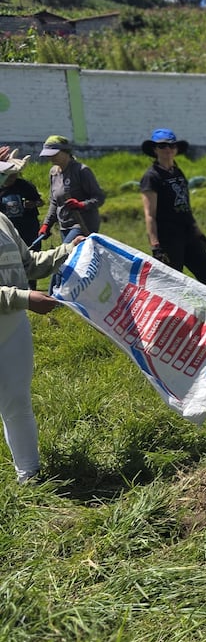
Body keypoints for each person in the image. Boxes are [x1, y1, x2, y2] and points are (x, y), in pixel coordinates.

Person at [0, 146, 83, 485]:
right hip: (17, 311)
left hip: (11, 327)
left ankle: (29, 477)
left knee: (17, 402)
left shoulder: (1, 219)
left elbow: (28, 264)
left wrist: (70, 250)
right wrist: (25, 297)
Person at [139, 128, 206, 290]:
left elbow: (185, 205)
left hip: (188, 233)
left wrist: (199, 233)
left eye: (171, 146)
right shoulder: (151, 177)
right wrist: (155, 246)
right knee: (173, 284)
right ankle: (174, 315)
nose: (168, 149)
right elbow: (150, 215)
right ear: (155, 149)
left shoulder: (177, 172)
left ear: (176, 149)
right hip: (168, 237)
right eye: (162, 146)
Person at [39, 135, 105, 244]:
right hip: (64, 226)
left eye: (54, 154)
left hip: (82, 224)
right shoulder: (53, 173)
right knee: (69, 257)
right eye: (48, 155)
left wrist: (81, 205)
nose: (51, 158)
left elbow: (99, 198)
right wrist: (46, 224)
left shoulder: (81, 171)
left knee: (66, 254)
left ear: (66, 152)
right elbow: (54, 202)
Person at [0, 164, 44, 250]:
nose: (12, 178)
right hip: (7, 229)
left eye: (15, 175)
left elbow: (40, 202)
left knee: (32, 253)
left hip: (28, 228)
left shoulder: (25, 185)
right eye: (10, 175)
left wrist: (33, 204)